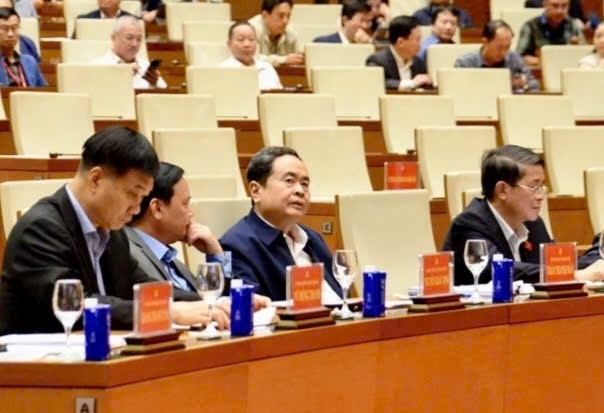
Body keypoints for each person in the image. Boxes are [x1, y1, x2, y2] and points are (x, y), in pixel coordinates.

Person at [0, 126, 230, 335]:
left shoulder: (113, 232)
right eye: (133, 194)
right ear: (96, 180)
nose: (137, 208)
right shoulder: (41, 229)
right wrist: (167, 311)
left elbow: (145, 287)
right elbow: (75, 305)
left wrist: (211, 303)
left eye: (142, 197)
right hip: (37, 361)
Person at [442, 144, 604, 285]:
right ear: (502, 190)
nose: (541, 196)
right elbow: (498, 271)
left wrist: (597, 257)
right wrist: (572, 276)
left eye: (542, 186)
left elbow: (560, 266)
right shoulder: (470, 224)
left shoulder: (533, 224)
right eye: (534, 187)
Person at [126, 161, 271, 309]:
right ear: (157, 208)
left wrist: (216, 254)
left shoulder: (169, 258)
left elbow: (209, 298)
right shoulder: (126, 252)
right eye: (185, 204)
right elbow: (185, 303)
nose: (191, 213)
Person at [219, 146, 342, 301]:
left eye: (305, 184)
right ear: (256, 191)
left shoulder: (313, 239)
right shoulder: (233, 246)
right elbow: (250, 307)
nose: (300, 190)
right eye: (289, 181)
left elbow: (343, 295)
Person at [454, 20, 539, 93]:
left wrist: (525, 85)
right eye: (499, 47)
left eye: (507, 47)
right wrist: (509, 84)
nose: (504, 52)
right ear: (485, 42)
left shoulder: (514, 58)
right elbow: (458, 91)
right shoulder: (465, 63)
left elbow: (534, 84)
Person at [92, 15, 167, 89]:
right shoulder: (97, 66)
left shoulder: (145, 66)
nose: (134, 44)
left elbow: (166, 93)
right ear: (113, 38)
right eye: (129, 38)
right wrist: (123, 73)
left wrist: (156, 83)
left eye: (139, 39)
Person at [365, 15, 432, 91]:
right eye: (417, 40)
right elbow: (377, 83)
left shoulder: (418, 62)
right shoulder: (376, 60)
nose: (420, 44)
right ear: (400, 42)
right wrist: (411, 83)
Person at [516, 0, 585, 66]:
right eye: (555, 5)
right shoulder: (530, 26)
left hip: (569, 67)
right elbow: (519, 57)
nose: (559, 11)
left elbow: (584, 55)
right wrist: (547, 62)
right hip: (540, 70)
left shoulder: (573, 25)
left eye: (564, 6)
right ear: (545, 4)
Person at [220, 21, 283, 90]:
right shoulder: (223, 70)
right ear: (229, 44)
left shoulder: (267, 68)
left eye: (251, 39)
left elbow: (278, 93)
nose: (247, 44)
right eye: (241, 40)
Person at [248, 0, 304, 67]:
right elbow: (251, 58)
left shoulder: (290, 33)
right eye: (281, 16)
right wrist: (283, 60)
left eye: (288, 16)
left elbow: (299, 58)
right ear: (265, 15)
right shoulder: (251, 30)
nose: (285, 21)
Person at [0, 7, 44, 86]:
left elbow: (44, 90)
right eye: (4, 28)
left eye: (14, 28)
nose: (10, 34)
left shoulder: (30, 61)